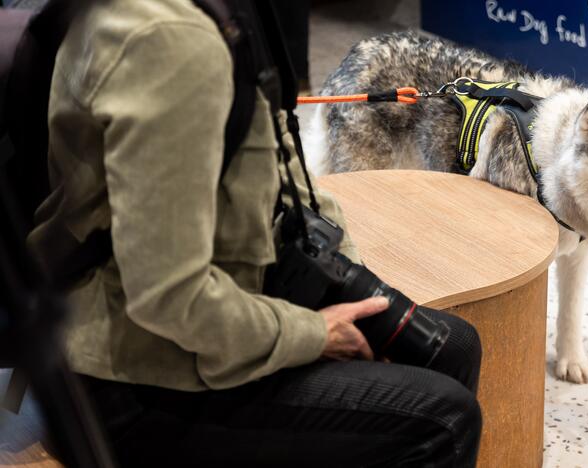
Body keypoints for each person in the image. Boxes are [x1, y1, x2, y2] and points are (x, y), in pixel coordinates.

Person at [26, 0, 483, 466]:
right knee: (444, 420)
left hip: (217, 305)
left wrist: (352, 288)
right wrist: (312, 333)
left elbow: (283, 170)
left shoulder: (223, 16)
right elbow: (167, 295)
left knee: (451, 347)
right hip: (136, 377)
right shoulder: (169, 44)